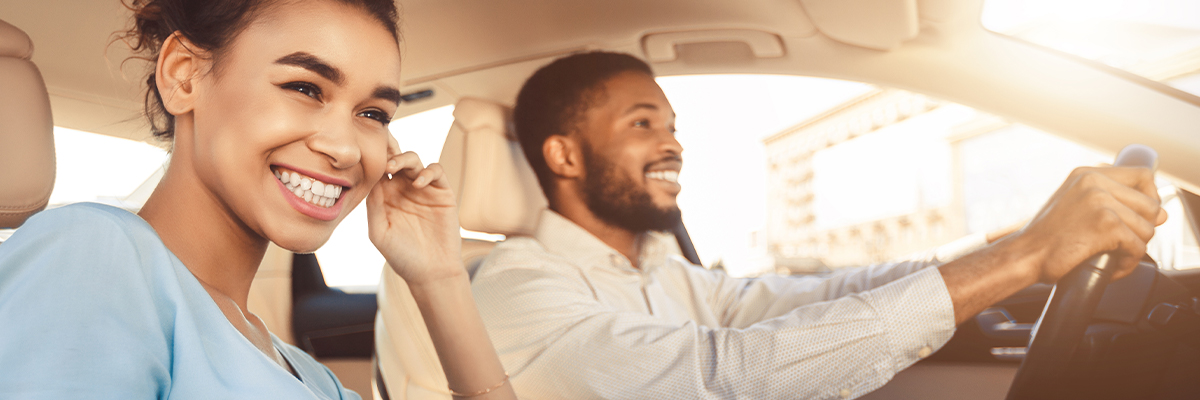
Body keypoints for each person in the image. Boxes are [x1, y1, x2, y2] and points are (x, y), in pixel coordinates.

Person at [469, 51, 1167, 399]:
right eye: (642, 124)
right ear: (563, 154)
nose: (673, 144)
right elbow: (718, 375)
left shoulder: (661, 268)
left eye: (673, 126)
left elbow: (807, 298)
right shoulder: (513, 288)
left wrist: (1006, 246)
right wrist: (1023, 263)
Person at [0, 1, 514, 399]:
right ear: (185, 75)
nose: (344, 148)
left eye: (374, 114)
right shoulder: (89, 255)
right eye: (305, 88)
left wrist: (439, 279)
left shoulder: (309, 375)